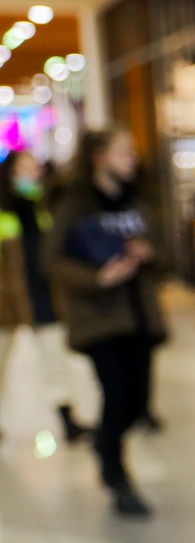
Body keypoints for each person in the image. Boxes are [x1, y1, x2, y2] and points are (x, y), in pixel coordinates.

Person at [48, 128, 166, 517]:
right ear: (100, 157)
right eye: (123, 151)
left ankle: (104, 443)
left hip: (140, 314)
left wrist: (149, 252)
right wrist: (98, 278)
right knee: (116, 395)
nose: (132, 158)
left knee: (138, 402)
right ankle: (116, 475)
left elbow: (167, 255)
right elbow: (53, 260)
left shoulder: (140, 200)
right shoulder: (76, 204)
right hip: (98, 317)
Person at [0, 151, 92, 444]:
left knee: (56, 358)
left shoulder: (45, 206)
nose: (32, 173)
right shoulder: (5, 209)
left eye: (35, 167)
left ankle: (67, 419)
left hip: (44, 295)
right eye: (24, 167)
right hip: (6, 302)